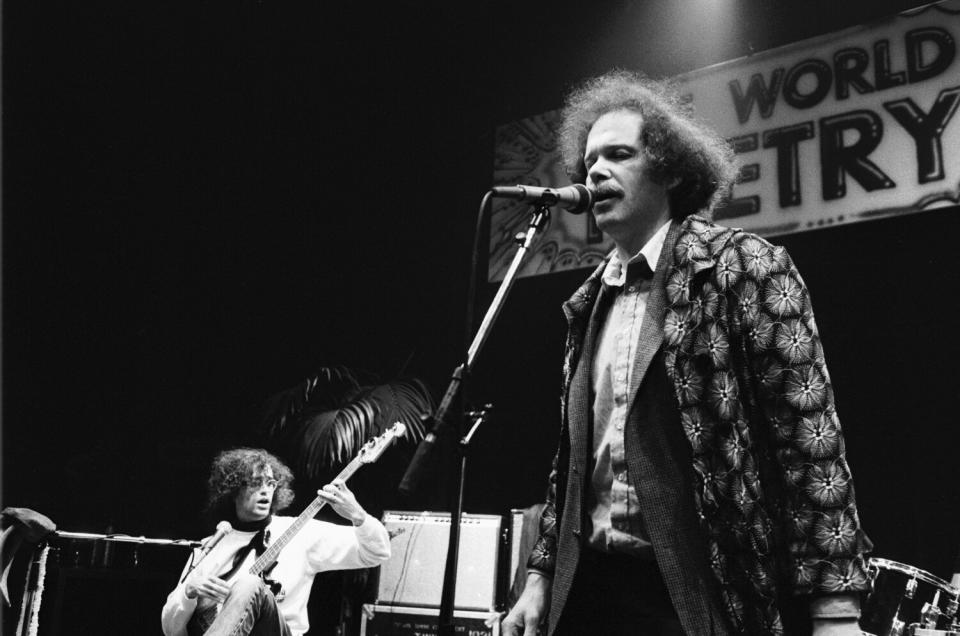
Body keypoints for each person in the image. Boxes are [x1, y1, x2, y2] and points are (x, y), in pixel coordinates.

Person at [501, 70, 873, 636]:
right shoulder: (587, 303)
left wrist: (836, 614)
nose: (595, 170)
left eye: (618, 154)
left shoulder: (743, 266)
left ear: (671, 169)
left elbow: (810, 442)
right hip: (592, 591)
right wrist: (540, 576)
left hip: (702, 591)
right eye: (589, 160)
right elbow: (574, 463)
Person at [161, 448, 390, 636]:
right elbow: (171, 630)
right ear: (232, 489)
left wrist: (357, 515)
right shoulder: (213, 544)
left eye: (270, 483)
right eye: (254, 483)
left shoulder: (299, 532)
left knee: (249, 584)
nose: (265, 491)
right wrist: (189, 593)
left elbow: (377, 552)